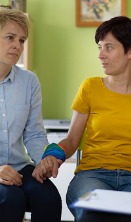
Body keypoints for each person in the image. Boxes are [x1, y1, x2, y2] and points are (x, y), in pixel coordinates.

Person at [33, 16, 131, 220]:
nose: (101, 55)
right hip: (92, 175)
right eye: (99, 47)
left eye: (109, 47)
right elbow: (71, 140)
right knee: (93, 214)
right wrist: (53, 155)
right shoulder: (90, 87)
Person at [0, 8, 62, 222]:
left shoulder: (29, 81)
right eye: (10, 37)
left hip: (19, 165)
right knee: (11, 199)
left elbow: (34, 133)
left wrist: (44, 160)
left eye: (22, 40)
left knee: (50, 198)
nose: (17, 45)